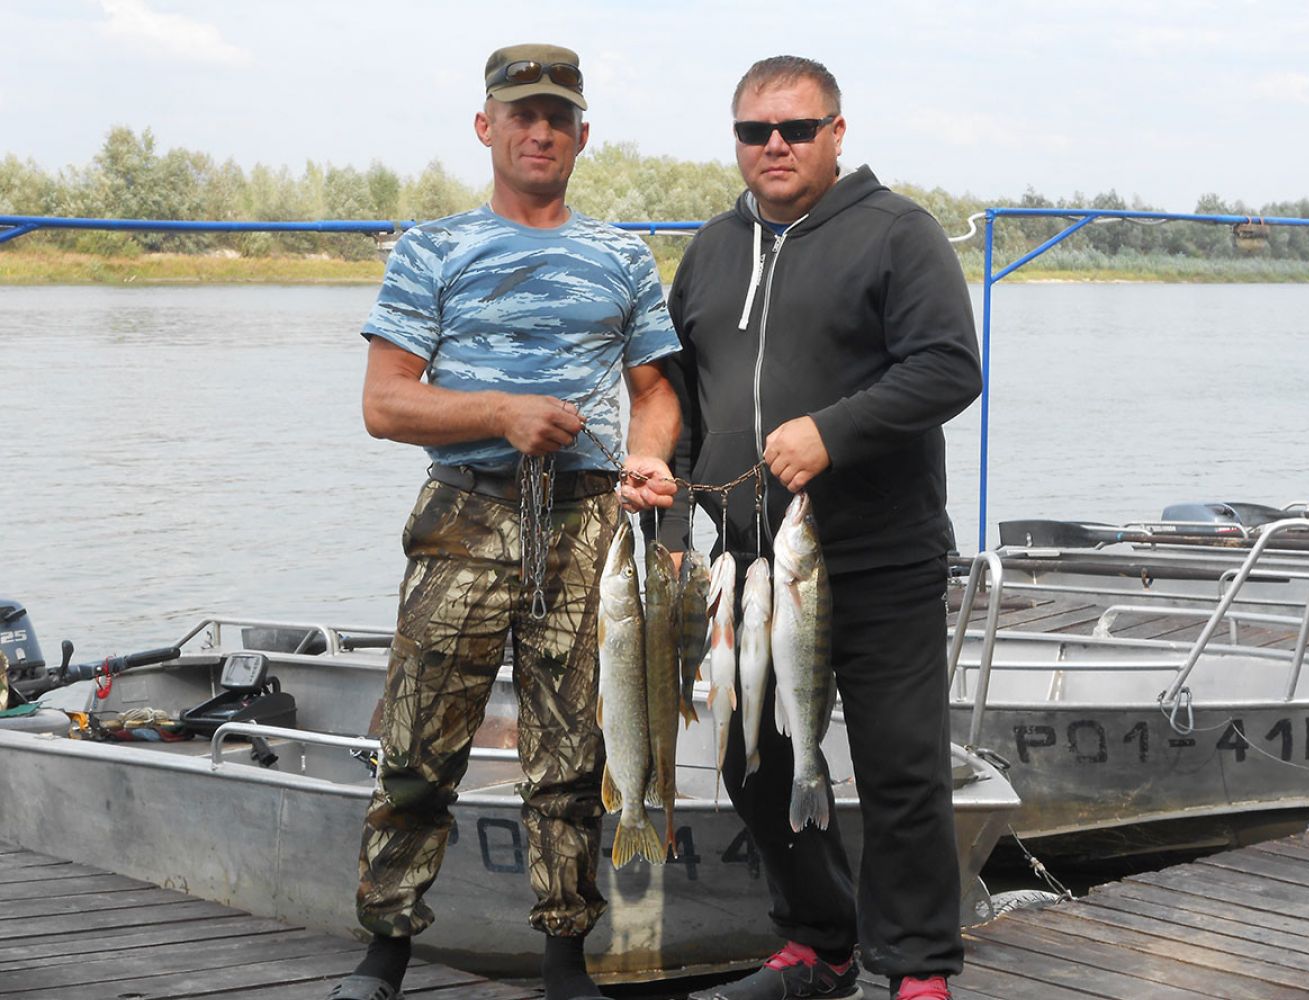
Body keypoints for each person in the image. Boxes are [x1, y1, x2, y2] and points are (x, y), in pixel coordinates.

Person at [327, 43, 682, 1000]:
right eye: (522, 114)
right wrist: (500, 409)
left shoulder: (622, 256)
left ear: (582, 137)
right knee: (418, 745)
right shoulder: (431, 249)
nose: (540, 131)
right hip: (466, 517)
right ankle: (385, 951)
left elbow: (655, 392)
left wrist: (648, 454)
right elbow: (385, 404)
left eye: (558, 117)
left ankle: (564, 959)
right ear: (486, 126)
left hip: (587, 528)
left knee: (574, 754)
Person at [659, 56, 983, 1000]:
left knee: (901, 770)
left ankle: (918, 970)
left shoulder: (898, 233)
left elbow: (947, 369)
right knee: (750, 757)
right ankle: (819, 943)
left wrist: (832, 434)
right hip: (748, 564)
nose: (774, 146)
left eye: (796, 129)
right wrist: (674, 498)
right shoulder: (710, 249)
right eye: (754, 131)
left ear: (837, 133)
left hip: (879, 557)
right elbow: (678, 393)